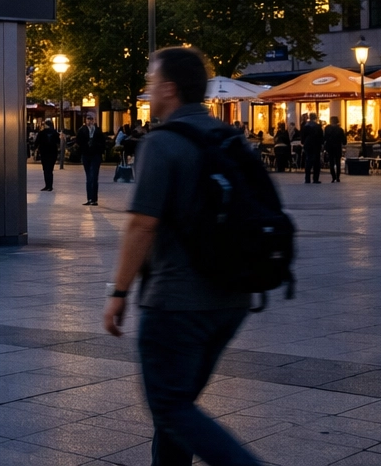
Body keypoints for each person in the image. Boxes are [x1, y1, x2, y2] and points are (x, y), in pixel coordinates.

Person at [103, 47, 263, 466]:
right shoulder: (227, 136)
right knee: (177, 411)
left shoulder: (163, 142)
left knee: (171, 407)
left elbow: (141, 224)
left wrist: (118, 291)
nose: (147, 89)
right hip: (232, 298)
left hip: (177, 301)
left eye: (151, 81)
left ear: (169, 89)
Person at [73, 113, 106, 206]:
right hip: (86, 155)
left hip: (95, 155)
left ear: (94, 120)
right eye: (88, 119)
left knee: (94, 177)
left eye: (91, 119)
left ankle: (94, 199)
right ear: (85, 120)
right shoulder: (82, 130)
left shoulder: (98, 131)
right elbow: (78, 142)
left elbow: (103, 143)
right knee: (89, 177)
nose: (90, 121)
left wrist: (96, 147)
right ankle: (90, 198)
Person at [34, 119, 59, 191]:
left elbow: (37, 142)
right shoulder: (55, 133)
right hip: (53, 153)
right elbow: (58, 142)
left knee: (45, 169)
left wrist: (35, 149)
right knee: (50, 170)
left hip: (44, 153)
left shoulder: (41, 133)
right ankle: (50, 186)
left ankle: (47, 185)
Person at [300, 114, 324, 184]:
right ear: (316, 118)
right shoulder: (318, 126)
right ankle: (315, 179)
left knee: (308, 161)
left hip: (308, 144)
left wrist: (304, 142)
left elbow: (302, 136)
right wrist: (322, 144)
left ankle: (307, 179)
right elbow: (321, 136)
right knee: (316, 162)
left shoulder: (305, 126)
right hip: (316, 145)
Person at [323, 115, 346, 183]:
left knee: (331, 162)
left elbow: (324, 138)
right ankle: (338, 177)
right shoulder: (340, 129)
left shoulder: (327, 128)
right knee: (338, 162)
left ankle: (333, 177)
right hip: (337, 147)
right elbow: (344, 140)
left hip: (330, 147)